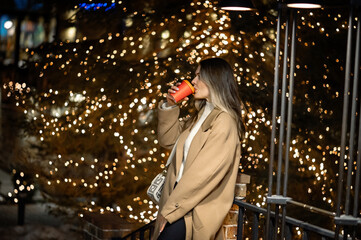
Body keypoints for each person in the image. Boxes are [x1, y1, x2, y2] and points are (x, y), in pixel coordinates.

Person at [153, 57, 244, 240]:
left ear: (214, 80)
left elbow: (203, 174)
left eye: (198, 76)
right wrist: (170, 106)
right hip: (179, 200)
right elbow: (168, 140)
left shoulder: (224, 121)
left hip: (193, 207)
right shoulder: (201, 114)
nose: (193, 82)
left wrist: (170, 210)